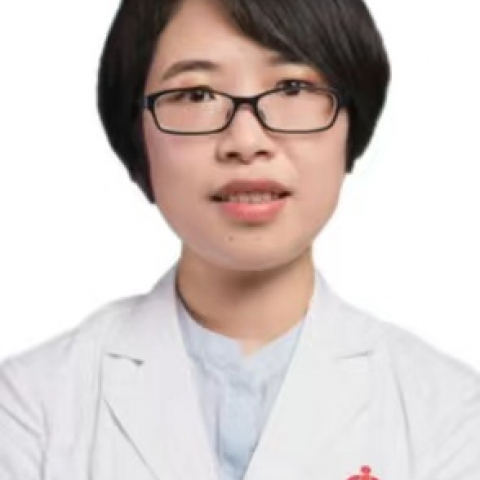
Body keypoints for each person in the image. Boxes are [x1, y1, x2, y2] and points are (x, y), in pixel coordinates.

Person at [0, 0, 479, 479]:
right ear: (137, 133)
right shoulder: (30, 408)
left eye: (293, 87)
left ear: (352, 122)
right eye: (196, 94)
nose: (246, 142)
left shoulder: (451, 416)